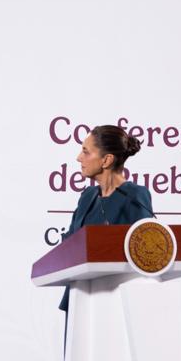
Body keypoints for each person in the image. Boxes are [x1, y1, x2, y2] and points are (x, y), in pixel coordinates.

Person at [58, 124, 152, 310]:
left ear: (106, 160)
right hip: (78, 297)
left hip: (112, 304)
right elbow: (69, 245)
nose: (79, 157)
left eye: (86, 151)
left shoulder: (135, 196)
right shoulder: (87, 196)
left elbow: (146, 253)